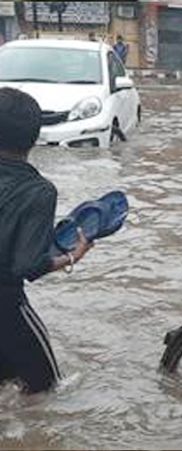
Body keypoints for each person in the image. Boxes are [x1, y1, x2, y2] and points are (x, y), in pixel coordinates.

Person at [0, 88, 93, 393]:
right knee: (49, 392)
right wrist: (71, 257)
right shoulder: (39, 191)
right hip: (6, 308)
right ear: (35, 136)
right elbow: (28, 265)